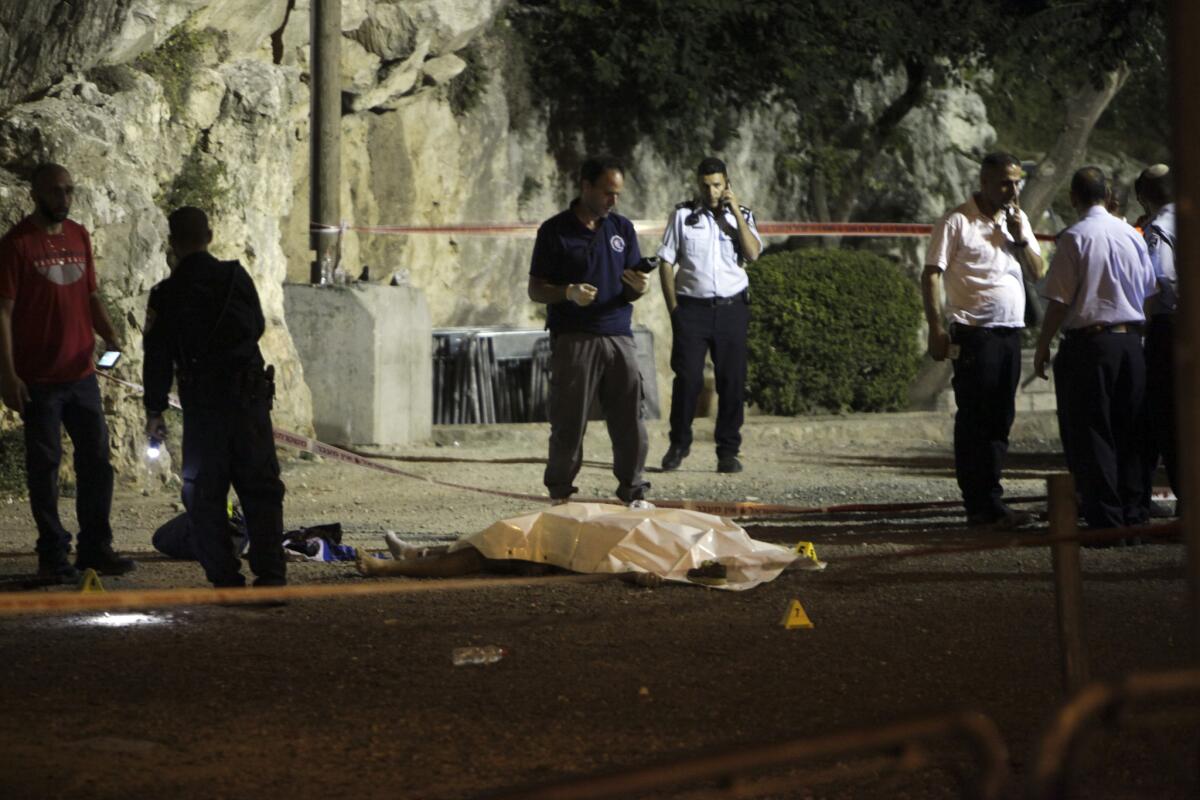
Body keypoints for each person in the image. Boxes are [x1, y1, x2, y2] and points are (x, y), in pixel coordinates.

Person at [0, 163, 133, 582]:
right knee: (45, 468)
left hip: (81, 374)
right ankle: (52, 554)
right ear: (36, 193)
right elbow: (2, 314)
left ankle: (95, 548)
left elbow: (90, 292)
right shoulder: (16, 245)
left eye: (69, 191)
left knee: (97, 461)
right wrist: (8, 376)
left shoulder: (79, 236)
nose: (64, 198)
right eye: (56, 191)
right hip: (39, 379)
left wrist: (111, 336)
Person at [143, 206, 286, 587]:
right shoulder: (234, 277)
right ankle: (271, 574)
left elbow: (157, 357)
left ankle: (225, 577)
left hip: (204, 409)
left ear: (172, 243)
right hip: (248, 400)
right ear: (208, 235)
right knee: (261, 488)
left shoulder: (166, 294)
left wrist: (154, 410)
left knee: (205, 495)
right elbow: (255, 325)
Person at [921, 152, 1045, 528]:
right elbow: (931, 274)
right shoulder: (957, 221)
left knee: (1000, 417)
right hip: (975, 335)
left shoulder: (1017, 222)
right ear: (984, 182)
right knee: (976, 419)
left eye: (1016, 182)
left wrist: (1021, 238)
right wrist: (936, 327)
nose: (1012, 190)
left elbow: (1039, 273)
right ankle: (980, 503)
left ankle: (990, 498)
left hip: (1010, 333)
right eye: (1005, 182)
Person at [1033, 166, 1158, 532]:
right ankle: (1136, 515)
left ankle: (1106, 520)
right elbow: (1149, 291)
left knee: (1093, 434)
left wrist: (1043, 345)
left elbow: (1058, 300)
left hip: (1090, 344)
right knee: (1132, 430)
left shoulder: (1074, 237)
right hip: (1130, 341)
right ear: (1106, 195)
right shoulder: (1131, 235)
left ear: (1074, 198)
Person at [528, 156, 652, 505]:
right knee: (569, 422)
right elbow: (536, 289)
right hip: (574, 337)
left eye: (618, 194)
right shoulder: (554, 230)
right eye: (608, 193)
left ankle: (634, 490)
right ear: (586, 187)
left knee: (630, 419)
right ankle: (560, 493)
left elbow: (630, 284)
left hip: (618, 335)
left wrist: (637, 288)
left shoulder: (622, 229)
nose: (614, 201)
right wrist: (567, 293)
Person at [657, 157, 762, 474]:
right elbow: (665, 261)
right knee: (687, 379)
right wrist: (674, 309)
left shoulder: (742, 216)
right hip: (692, 309)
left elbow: (753, 253)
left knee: (732, 381)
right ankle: (679, 444)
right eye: (706, 185)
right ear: (698, 185)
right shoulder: (683, 216)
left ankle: (728, 451)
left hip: (732, 308)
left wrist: (736, 213)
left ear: (727, 184)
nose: (712, 191)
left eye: (717, 184)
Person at [1134, 165, 1178, 510]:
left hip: (1169, 327)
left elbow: (1157, 278)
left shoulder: (1158, 228)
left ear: (1143, 197)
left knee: (1168, 417)